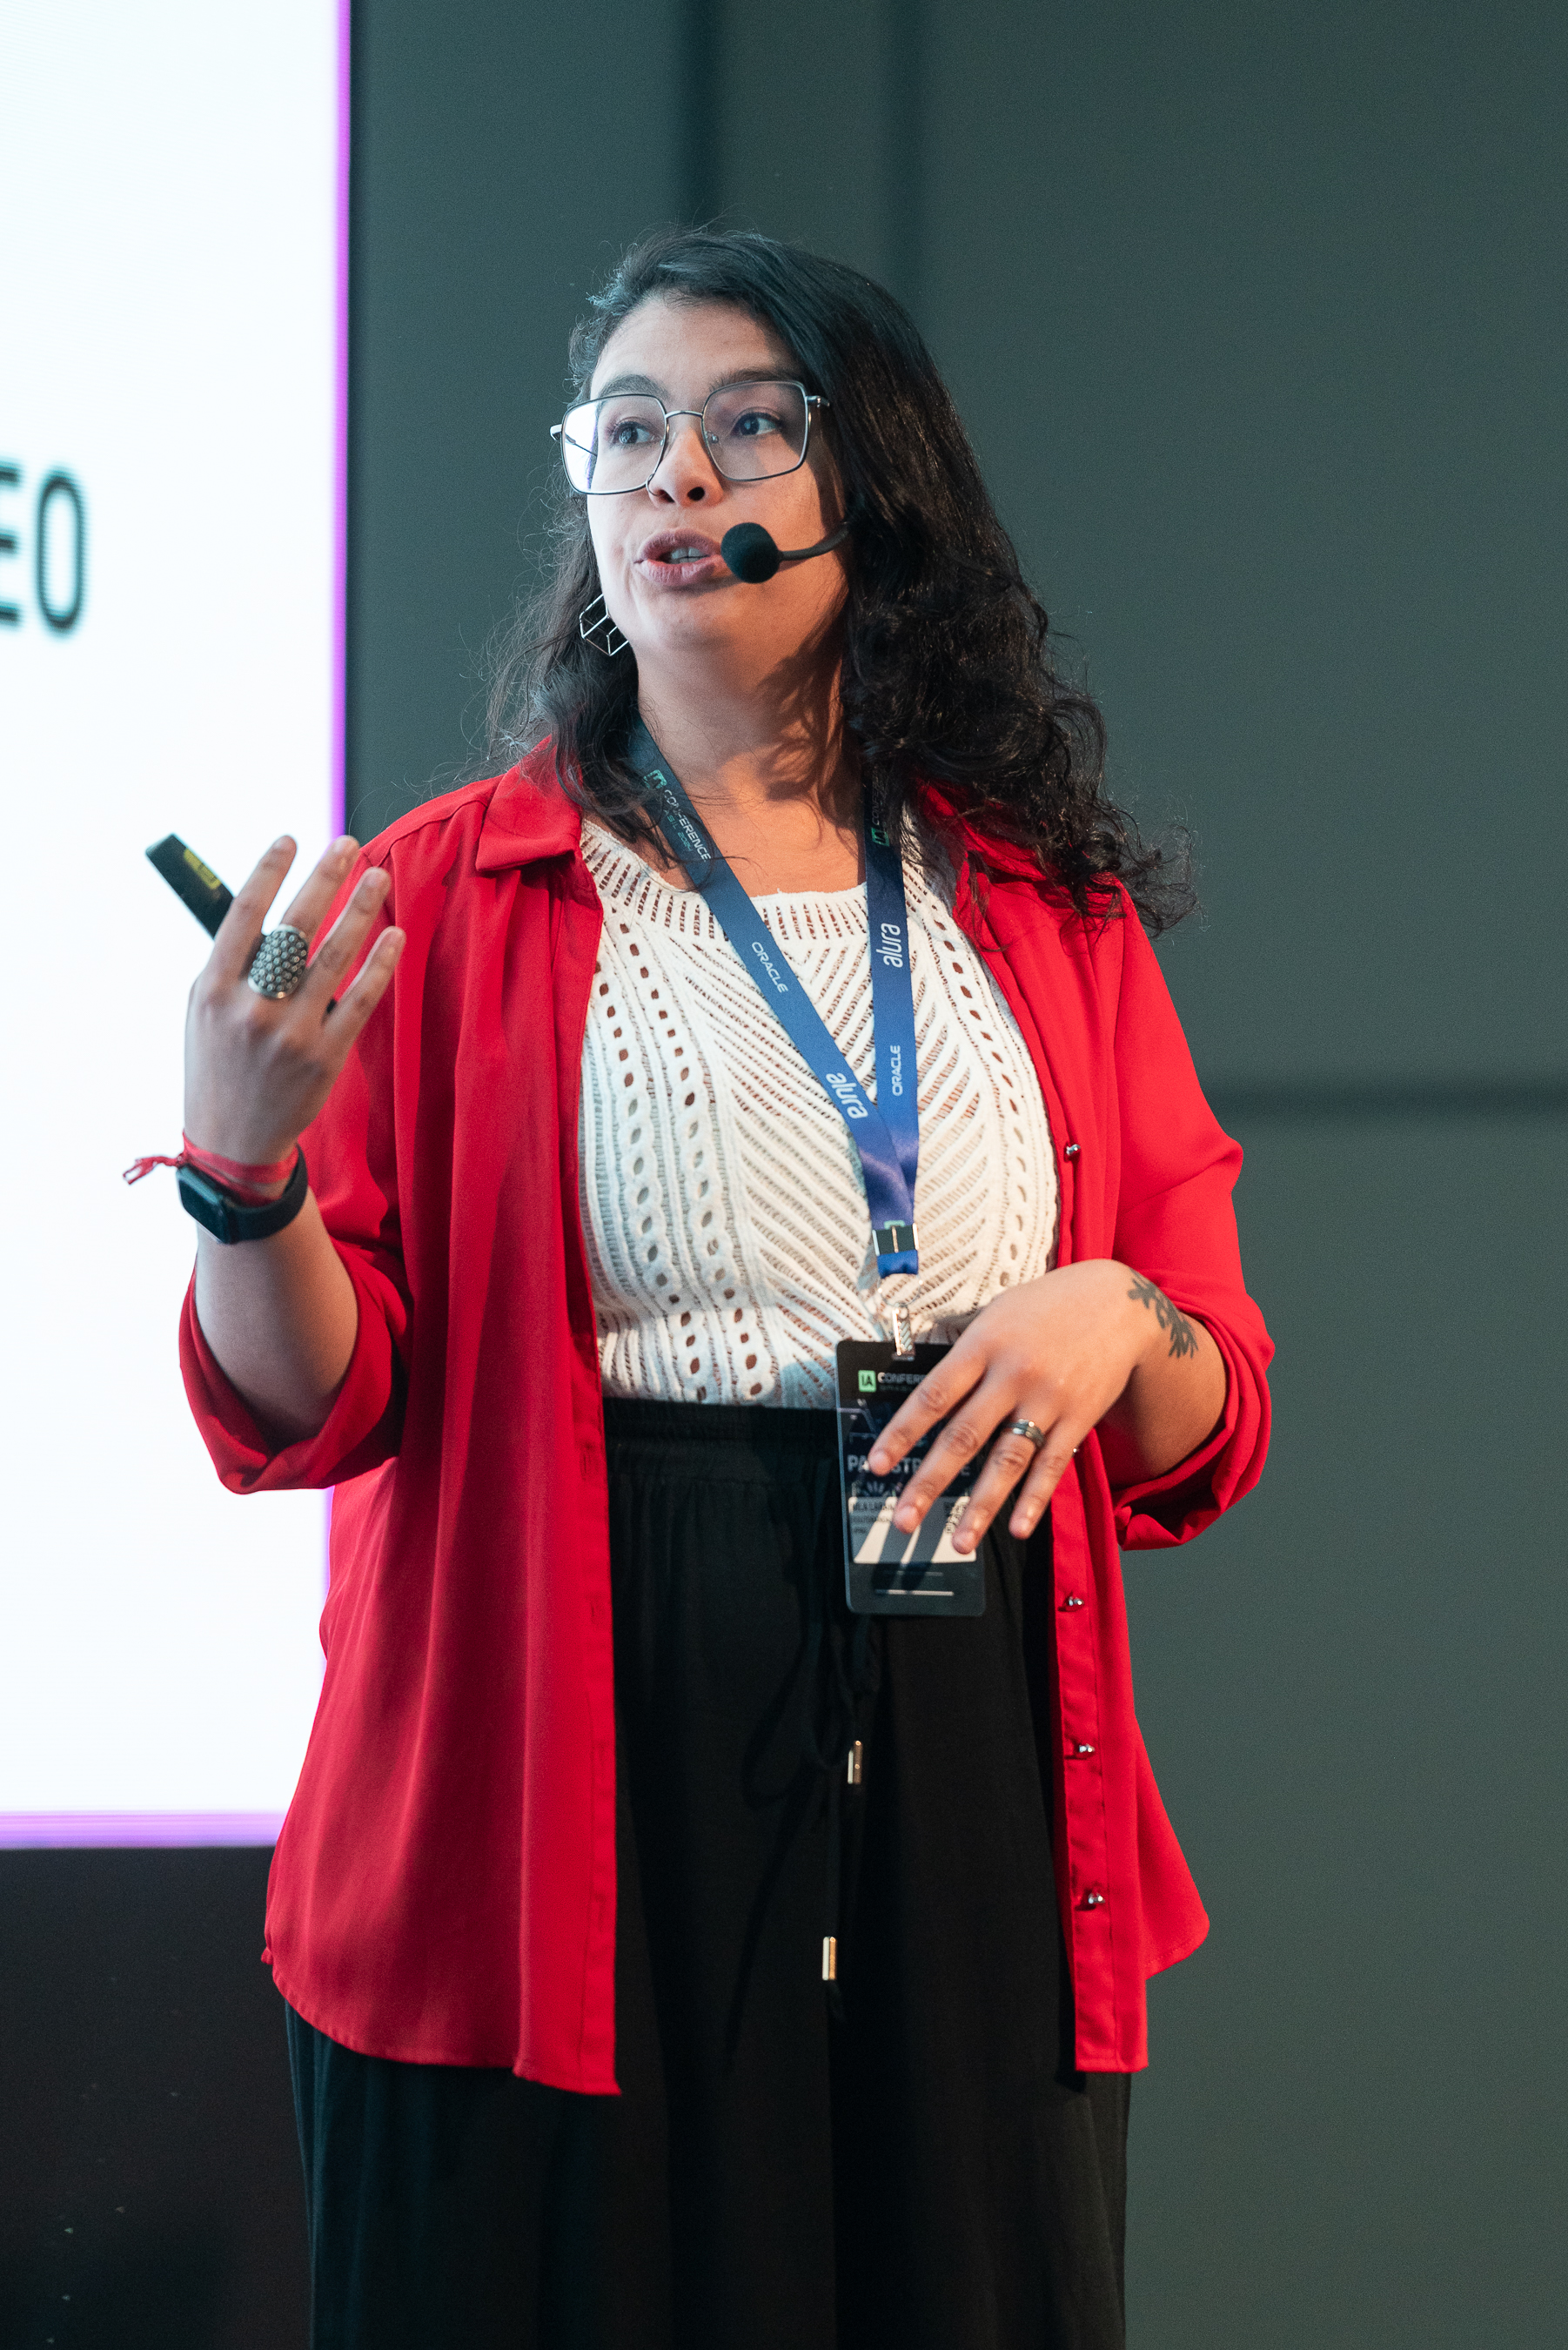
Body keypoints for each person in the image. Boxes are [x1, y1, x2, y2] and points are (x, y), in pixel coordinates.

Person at [175, 227, 1271, 2349]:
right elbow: (317, 1402)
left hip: (961, 1680)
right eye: (629, 433)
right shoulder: (444, 895)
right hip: (580, 1701)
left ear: (873, 491)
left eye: (749, 425)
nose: (679, 478)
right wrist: (243, 1173)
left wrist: (1110, 1316)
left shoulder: (1039, 907)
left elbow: (1211, 1394)